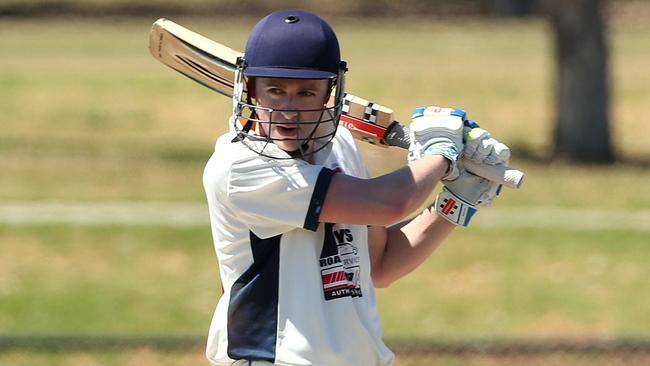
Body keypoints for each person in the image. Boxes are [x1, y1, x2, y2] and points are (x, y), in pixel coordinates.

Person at [202, 9, 510, 366]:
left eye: (305, 92)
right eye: (275, 90)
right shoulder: (240, 167)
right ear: (250, 90)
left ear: (329, 93)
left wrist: (456, 202)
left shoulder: (340, 146)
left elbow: (379, 264)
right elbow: (389, 203)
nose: (288, 109)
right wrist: (441, 154)